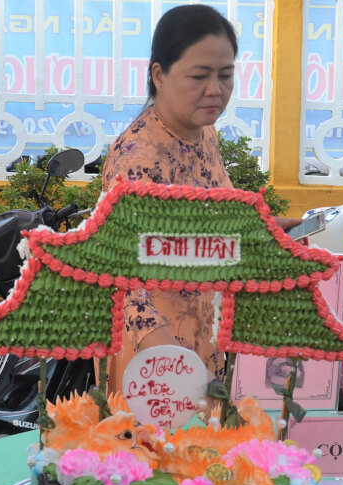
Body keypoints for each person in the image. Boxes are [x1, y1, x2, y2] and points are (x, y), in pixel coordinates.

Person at [100, 5, 238, 393]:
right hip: (154, 353)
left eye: (225, 75)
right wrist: (176, 368)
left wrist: (264, 231)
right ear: (158, 74)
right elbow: (119, 277)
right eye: (199, 76)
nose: (216, 90)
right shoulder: (138, 157)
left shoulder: (203, 132)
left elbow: (217, 215)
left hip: (203, 334)